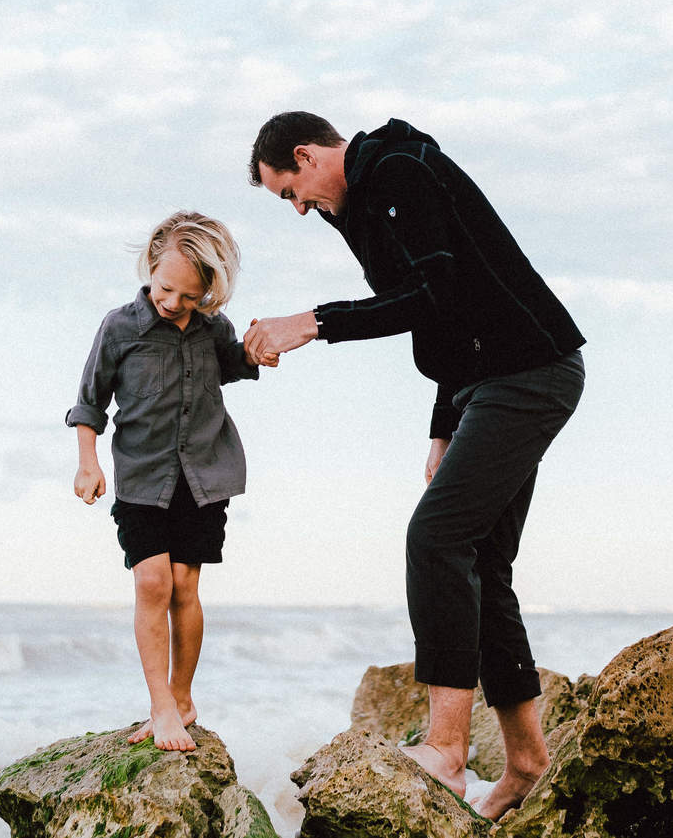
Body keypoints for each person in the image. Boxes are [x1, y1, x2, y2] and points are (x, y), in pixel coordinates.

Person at [242, 113, 585, 819]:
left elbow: (432, 293)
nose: (300, 209)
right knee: (483, 562)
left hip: (530, 370)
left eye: (290, 193)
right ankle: (525, 762)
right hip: (491, 382)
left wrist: (310, 321)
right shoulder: (365, 205)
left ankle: (446, 750)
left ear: (306, 156)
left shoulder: (397, 172)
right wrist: (443, 426)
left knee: (436, 538)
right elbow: (444, 318)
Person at [67, 210, 275, 752]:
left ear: (208, 293)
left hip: (205, 474)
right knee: (151, 582)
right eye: (166, 288)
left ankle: (182, 699)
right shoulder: (119, 327)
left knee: (185, 585)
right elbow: (90, 402)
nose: (173, 303)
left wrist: (258, 350)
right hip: (141, 474)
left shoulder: (214, 330)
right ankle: (160, 705)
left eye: (189, 296)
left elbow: (236, 363)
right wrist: (88, 462)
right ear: (152, 262)